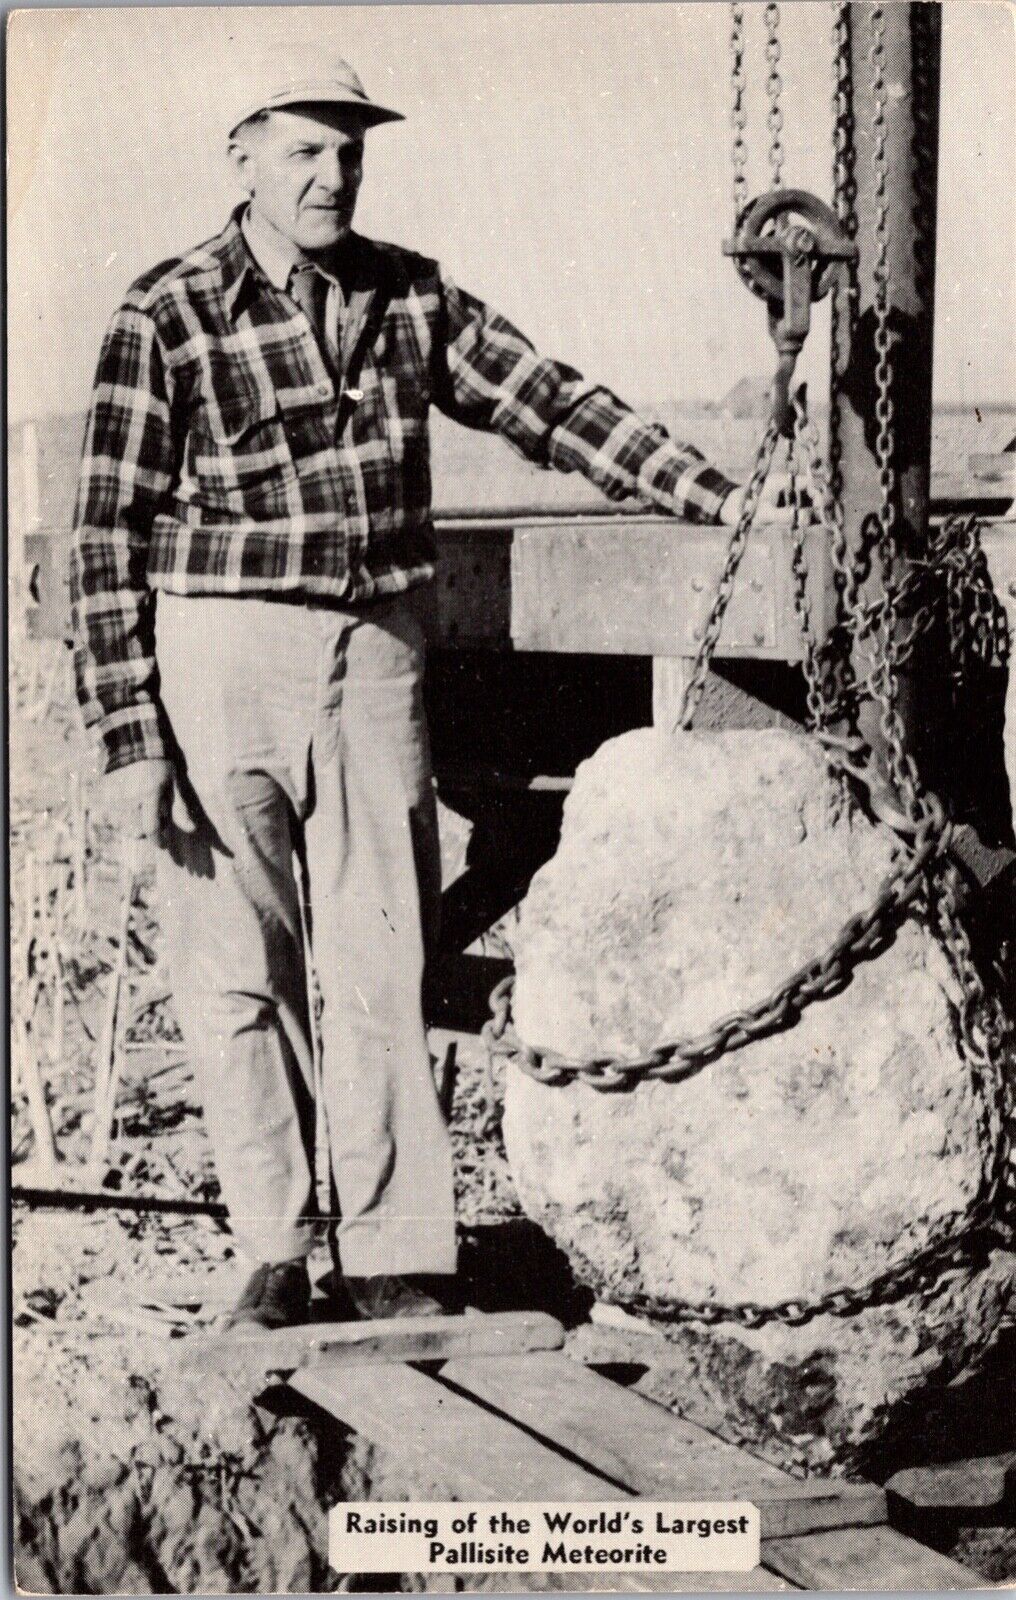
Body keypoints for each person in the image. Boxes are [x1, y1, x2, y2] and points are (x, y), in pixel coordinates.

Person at [71, 56, 790, 1330]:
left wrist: (723, 498)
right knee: (239, 964)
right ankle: (276, 1250)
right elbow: (102, 536)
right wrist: (132, 740)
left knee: (382, 949)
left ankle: (402, 1253)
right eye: (303, 149)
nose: (332, 173)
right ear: (240, 157)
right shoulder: (167, 311)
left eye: (349, 149)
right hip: (219, 658)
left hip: (375, 660)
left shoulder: (410, 294)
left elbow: (550, 404)